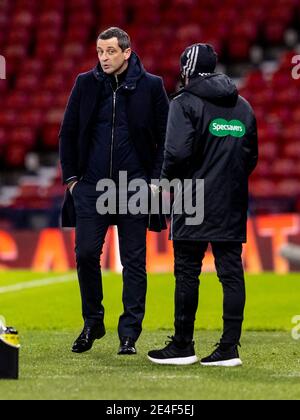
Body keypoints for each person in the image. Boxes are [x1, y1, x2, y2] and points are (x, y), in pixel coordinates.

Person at [59, 27, 169, 355]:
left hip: (134, 187)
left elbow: (165, 137)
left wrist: (153, 180)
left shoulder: (152, 87)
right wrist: (73, 181)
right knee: (86, 255)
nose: (104, 58)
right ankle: (93, 321)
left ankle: (129, 333)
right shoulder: (84, 83)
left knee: (133, 262)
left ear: (126, 51)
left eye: (110, 52)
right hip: (91, 187)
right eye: (99, 52)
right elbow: (68, 133)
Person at [148, 43, 258, 367]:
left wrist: (164, 184)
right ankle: (229, 349)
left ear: (187, 69)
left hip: (191, 198)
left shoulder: (183, 103)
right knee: (231, 272)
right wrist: (229, 182)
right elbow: (250, 157)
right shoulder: (244, 106)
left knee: (186, 272)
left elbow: (177, 153)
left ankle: (183, 345)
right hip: (230, 200)